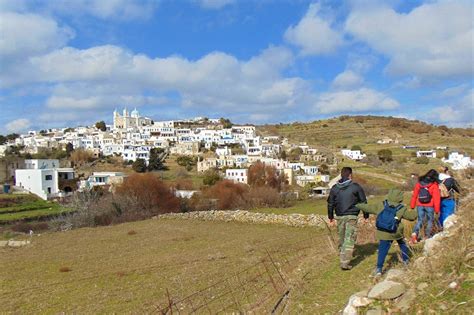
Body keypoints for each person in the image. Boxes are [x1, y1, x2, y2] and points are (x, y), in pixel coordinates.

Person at [356, 189, 417, 277]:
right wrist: (417, 210)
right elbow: (412, 217)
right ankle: (406, 261)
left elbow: (368, 208)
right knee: (402, 244)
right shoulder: (401, 208)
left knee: (382, 250)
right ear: (400, 198)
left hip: (383, 232)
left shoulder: (382, 204)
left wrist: (357, 205)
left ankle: (379, 269)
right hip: (396, 231)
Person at [327, 167, 368, 270]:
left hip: (339, 217)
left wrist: (331, 217)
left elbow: (330, 204)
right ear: (350, 175)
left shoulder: (334, 188)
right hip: (352, 216)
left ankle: (343, 259)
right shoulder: (356, 187)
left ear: (341, 175)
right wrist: (366, 215)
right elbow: (363, 202)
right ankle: (345, 263)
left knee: (342, 239)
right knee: (349, 239)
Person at [410, 169, 440, 243]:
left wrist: (412, 205)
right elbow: (436, 198)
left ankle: (414, 234)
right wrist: (437, 210)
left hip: (420, 204)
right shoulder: (434, 184)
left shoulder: (419, 183)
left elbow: (414, 195)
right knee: (430, 220)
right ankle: (427, 236)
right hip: (430, 205)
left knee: (420, 220)